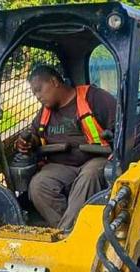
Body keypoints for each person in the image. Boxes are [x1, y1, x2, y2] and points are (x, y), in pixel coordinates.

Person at [15, 65, 117, 230]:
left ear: (54, 81)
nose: (37, 96)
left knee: (89, 177)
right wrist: (27, 143)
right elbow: (34, 135)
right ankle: (69, 231)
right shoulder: (45, 112)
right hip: (60, 165)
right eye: (34, 93)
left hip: (95, 159)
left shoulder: (94, 98)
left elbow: (121, 129)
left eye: (39, 90)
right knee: (38, 184)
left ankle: (65, 235)